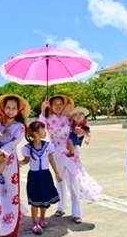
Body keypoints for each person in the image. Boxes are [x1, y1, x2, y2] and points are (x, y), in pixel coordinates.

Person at [40, 95, 101, 224]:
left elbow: (82, 128)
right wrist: (42, 111)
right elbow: (42, 132)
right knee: (60, 180)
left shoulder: (69, 118)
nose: (57, 106)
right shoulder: (47, 119)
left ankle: (77, 212)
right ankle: (61, 207)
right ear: (50, 106)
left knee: (75, 181)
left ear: (64, 105)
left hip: (71, 153)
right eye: (54, 104)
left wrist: (83, 132)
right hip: (56, 152)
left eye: (60, 103)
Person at [0, 94, 29, 237]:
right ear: (3, 108)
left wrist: (0, 154)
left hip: (9, 166)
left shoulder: (20, 127)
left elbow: (13, 144)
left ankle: (11, 231)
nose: (10, 111)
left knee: (10, 197)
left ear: (19, 109)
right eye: (8, 107)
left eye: (14, 108)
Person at [20, 121, 62, 234]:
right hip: (34, 177)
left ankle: (42, 218)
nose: (45, 131)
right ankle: (35, 223)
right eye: (43, 129)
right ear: (36, 133)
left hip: (45, 175)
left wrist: (57, 173)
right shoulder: (27, 148)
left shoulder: (48, 146)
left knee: (44, 199)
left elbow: (51, 160)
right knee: (35, 201)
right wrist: (19, 163)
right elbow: (26, 160)